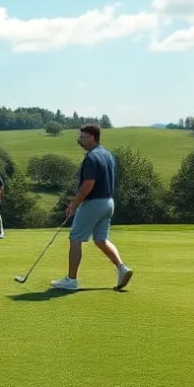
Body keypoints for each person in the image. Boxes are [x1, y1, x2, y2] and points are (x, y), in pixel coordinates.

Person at [50, 123, 133, 291]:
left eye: (83, 137)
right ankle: (122, 268)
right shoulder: (107, 155)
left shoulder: (91, 157)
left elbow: (89, 183)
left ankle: (71, 280)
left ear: (92, 137)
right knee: (101, 239)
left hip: (94, 203)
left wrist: (74, 204)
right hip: (108, 203)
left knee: (75, 238)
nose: (80, 141)